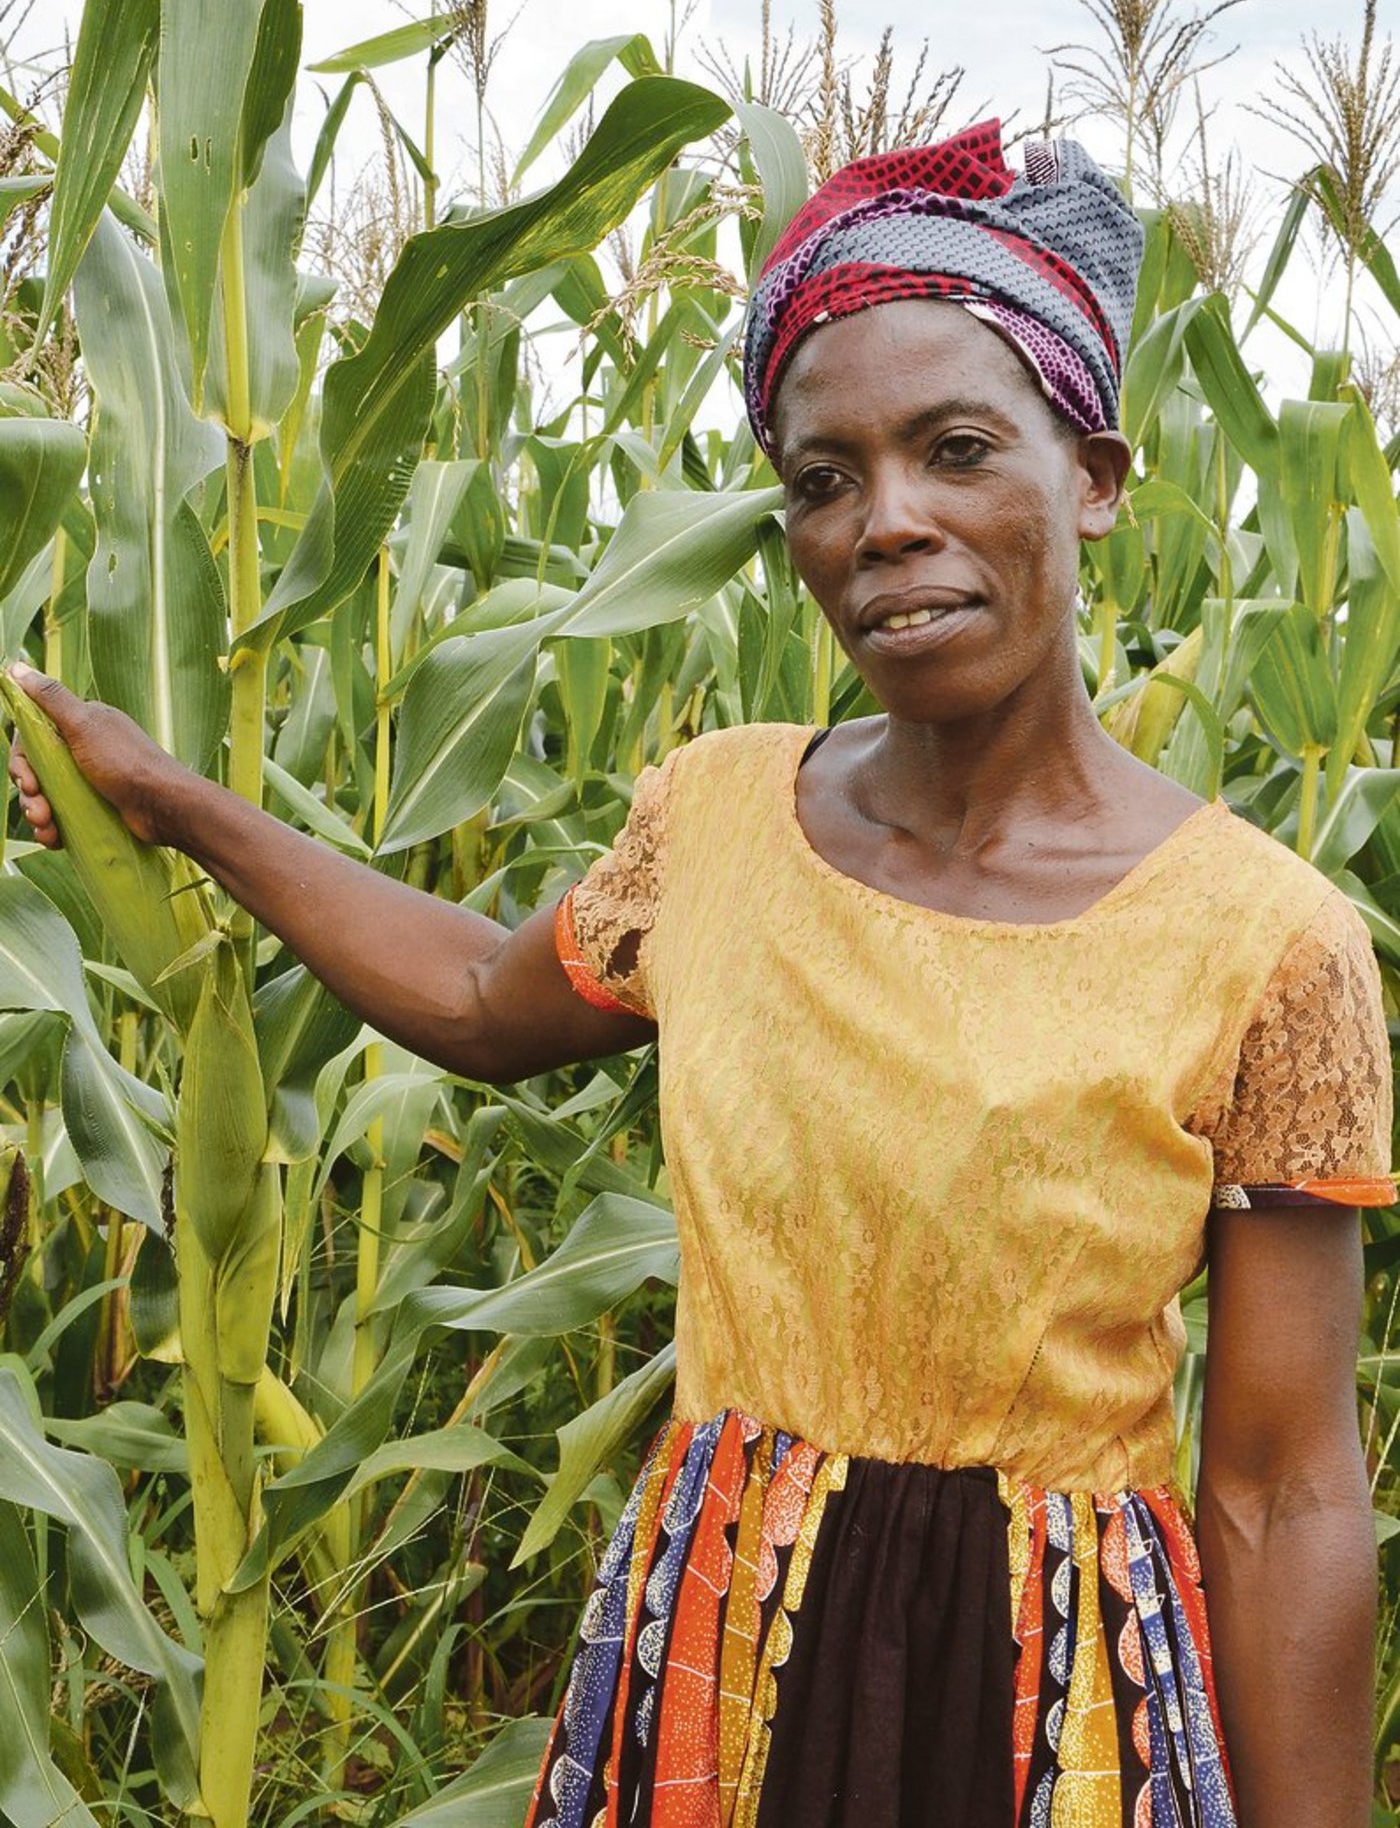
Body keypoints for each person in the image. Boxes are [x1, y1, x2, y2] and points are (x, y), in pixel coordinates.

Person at [7, 119, 1393, 1828]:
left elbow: (1281, 1491)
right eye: (822, 478)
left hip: (1055, 1698)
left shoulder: (1263, 939)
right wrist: (176, 802)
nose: (886, 523)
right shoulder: (721, 819)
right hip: (729, 1640)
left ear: (1093, 477)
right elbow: (472, 1002)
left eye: (957, 448)